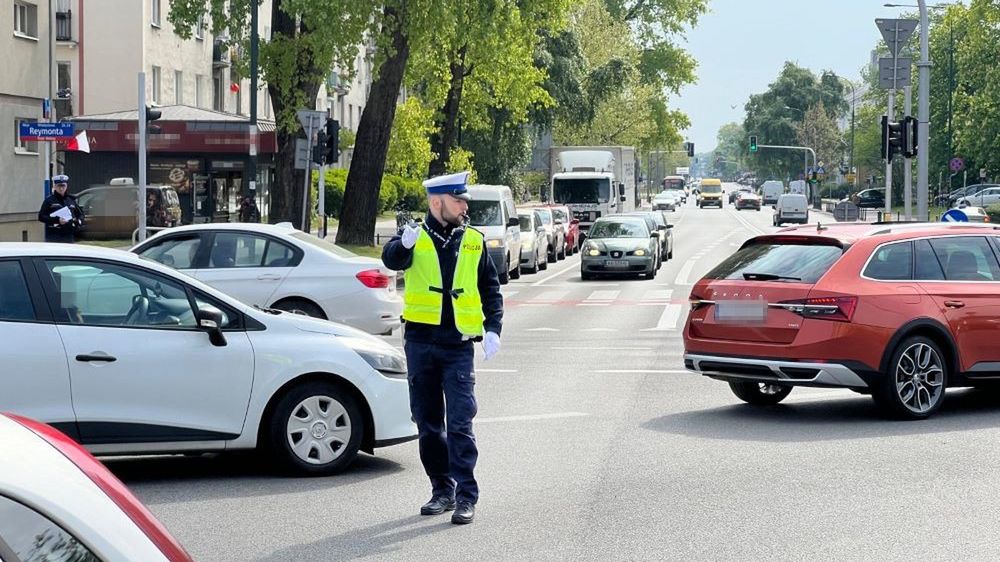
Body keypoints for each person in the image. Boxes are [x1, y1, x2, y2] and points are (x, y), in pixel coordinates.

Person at [381, 171, 504, 526]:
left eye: (464, 200)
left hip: (457, 346)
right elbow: (391, 260)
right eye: (458, 200)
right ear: (437, 203)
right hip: (420, 343)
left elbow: (491, 290)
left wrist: (493, 328)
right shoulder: (413, 238)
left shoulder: (474, 241)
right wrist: (402, 243)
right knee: (429, 423)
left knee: (461, 423)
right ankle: (441, 490)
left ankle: (467, 495)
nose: (465, 206)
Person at [37, 174, 85, 243]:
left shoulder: (71, 200)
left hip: (69, 236)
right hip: (54, 236)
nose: (61, 188)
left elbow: (80, 214)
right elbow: (41, 217)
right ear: (55, 186)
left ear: (66, 186)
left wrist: (78, 221)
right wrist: (57, 220)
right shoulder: (49, 201)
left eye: (63, 186)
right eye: (59, 186)